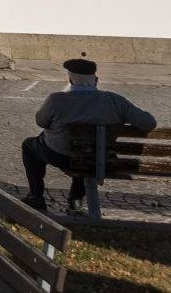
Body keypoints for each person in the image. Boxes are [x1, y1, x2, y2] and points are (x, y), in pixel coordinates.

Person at [23, 57, 156, 213]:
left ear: (70, 81)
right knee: (87, 155)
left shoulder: (56, 100)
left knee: (29, 146)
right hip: (100, 158)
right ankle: (75, 200)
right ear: (96, 80)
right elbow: (149, 123)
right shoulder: (115, 101)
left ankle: (36, 196)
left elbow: (41, 121)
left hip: (59, 155)